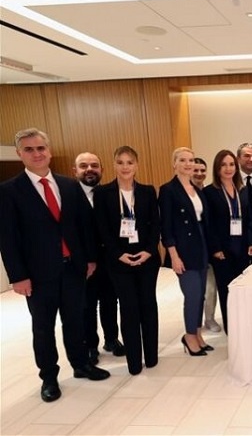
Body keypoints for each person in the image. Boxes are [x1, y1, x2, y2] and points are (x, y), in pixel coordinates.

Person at [0, 128, 110, 403]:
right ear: (20, 154)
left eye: (41, 148)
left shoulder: (69, 185)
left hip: (73, 269)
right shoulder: (9, 191)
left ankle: (81, 364)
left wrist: (89, 259)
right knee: (43, 327)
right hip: (38, 275)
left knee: (75, 320)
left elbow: (84, 226)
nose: (36, 153)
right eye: (29, 149)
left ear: (48, 151)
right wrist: (18, 276)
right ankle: (49, 377)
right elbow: (8, 238)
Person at [93, 146, 161, 375]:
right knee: (129, 308)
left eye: (129, 162)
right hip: (119, 261)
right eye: (120, 162)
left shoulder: (147, 191)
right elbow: (102, 228)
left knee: (148, 306)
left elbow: (155, 225)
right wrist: (117, 253)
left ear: (136, 165)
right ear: (114, 165)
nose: (125, 167)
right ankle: (133, 362)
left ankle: (151, 357)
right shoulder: (103, 193)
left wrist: (149, 251)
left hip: (147, 259)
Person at [159, 147, 212, 356]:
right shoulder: (168, 190)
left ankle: (197, 333)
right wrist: (174, 256)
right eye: (182, 160)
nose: (188, 164)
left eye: (191, 160)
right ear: (174, 164)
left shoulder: (197, 189)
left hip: (201, 246)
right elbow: (166, 227)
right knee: (192, 294)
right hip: (182, 249)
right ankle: (189, 336)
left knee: (201, 295)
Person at [73, 152, 124, 364]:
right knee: (87, 305)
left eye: (94, 165)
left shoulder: (109, 193)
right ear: (75, 171)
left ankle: (111, 339)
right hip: (84, 262)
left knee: (110, 301)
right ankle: (90, 346)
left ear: (102, 170)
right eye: (83, 166)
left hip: (110, 259)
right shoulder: (69, 195)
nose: (89, 169)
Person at [204, 150, 252, 334]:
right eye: (223, 165)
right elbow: (208, 223)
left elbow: (250, 219)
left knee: (241, 289)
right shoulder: (209, 192)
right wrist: (215, 248)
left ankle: (243, 326)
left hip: (242, 247)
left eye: (231, 164)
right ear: (217, 168)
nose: (228, 168)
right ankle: (231, 330)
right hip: (222, 251)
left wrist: (251, 242)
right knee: (226, 291)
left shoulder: (243, 190)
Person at [193, 157, 221, 333]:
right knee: (196, 289)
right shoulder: (185, 193)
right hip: (193, 250)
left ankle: (209, 318)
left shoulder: (209, 192)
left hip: (211, 248)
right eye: (195, 170)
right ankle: (194, 323)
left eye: (202, 170)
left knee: (211, 288)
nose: (199, 173)